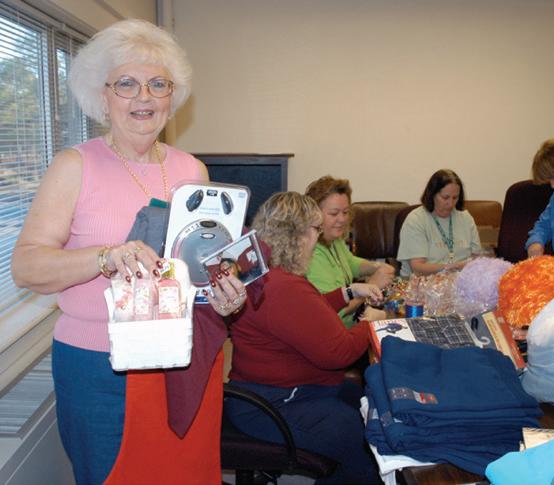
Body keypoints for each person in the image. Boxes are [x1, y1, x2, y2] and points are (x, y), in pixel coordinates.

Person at [11, 19, 244, 485]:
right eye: (126, 84)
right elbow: (27, 266)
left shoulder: (192, 170)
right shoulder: (74, 166)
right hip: (100, 367)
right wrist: (105, 257)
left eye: (158, 84)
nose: (144, 97)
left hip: (181, 359)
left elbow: (201, 265)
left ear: (172, 97)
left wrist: (223, 293)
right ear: (102, 96)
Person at [226, 192, 383, 484]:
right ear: (297, 234)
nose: (318, 236)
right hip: (273, 405)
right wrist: (371, 324)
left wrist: (347, 292)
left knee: (361, 398)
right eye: (316, 229)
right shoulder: (285, 287)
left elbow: (303, 314)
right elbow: (339, 353)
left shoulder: (265, 273)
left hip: (262, 395)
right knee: (363, 439)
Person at [305, 175, 395, 328]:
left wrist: (376, 267)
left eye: (345, 212)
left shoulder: (333, 238)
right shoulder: (311, 256)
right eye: (334, 213)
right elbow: (338, 310)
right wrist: (372, 285)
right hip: (339, 331)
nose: (342, 219)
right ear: (314, 215)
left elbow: (351, 262)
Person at [397, 169, 481, 277]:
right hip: (423, 282)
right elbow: (418, 268)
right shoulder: (416, 220)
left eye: (455, 198)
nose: (450, 203)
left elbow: (477, 258)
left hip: (461, 280)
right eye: (445, 197)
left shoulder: (466, 218)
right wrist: (454, 267)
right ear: (432, 194)